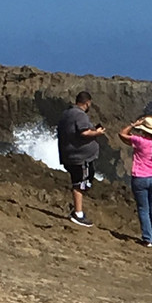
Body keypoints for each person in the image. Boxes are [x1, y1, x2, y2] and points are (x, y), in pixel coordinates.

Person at [56, 92, 105, 227]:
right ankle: (78, 214)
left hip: (70, 155)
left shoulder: (67, 113)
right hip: (79, 158)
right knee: (80, 183)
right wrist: (97, 133)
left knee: (83, 181)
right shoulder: (79, 114)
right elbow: (84, 132)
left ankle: (77, 209)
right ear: (87, 103)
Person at [119, 115, 152, 247]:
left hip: (140, 177)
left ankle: (147, 239)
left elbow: (122, 134)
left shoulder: (139, 141)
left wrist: (133, 124)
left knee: (143, 209)